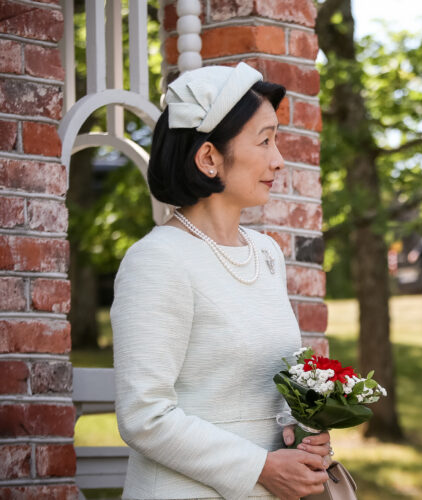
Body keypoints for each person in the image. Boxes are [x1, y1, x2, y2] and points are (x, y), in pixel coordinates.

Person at [111, 62, 332, 500]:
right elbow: (144, 415)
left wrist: (304, 432)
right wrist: (260, 467)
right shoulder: (156, 260)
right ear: (209, 157)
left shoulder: (265, 253)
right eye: (264, 140)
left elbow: (273, 385)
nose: (278, 158)